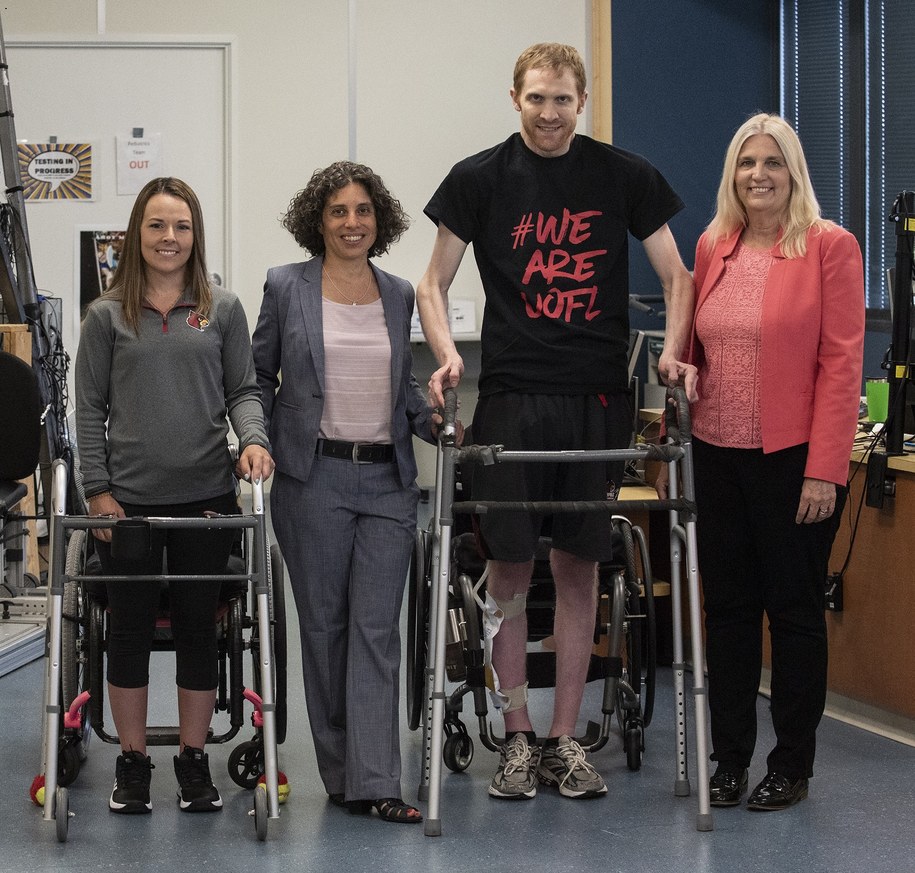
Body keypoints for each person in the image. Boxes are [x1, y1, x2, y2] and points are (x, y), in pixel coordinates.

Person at [416, 42, 695, 800]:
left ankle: (565, 737)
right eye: (536, 98)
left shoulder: (622, 175)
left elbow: (678, 276)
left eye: (562, 99)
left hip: (596, 397)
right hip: (509, 396)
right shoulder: (478, 178)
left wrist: (670, 356)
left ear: (581, 102)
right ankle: (515, 737)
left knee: (578, 568)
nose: (548, 113)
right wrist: (446, 358)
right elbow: (431, 283)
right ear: (515, 99)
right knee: (507, 568)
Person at [662, 113, 864, 811]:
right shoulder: (713, 243)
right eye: (746, 163)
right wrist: (680, 370)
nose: (757, 175)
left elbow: (842, 363)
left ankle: (791, 764)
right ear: (732, 174)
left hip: (792, 460)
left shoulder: (828, 246)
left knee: (795, 612)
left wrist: (825, 467)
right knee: (728, 613)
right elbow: (695, 344)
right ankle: (729, 759)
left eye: (771, 163)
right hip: (716, 456)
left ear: (792, 172)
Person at [252, 161, 450, 824]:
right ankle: (339, 772)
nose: (351, 222)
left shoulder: (397, 293)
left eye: (362, 210)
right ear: (319, 219)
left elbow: (403, 393)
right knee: (324, 628)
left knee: (375, 629)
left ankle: (376, 780)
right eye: (337, 210)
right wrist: (254, 436)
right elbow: (254, 378)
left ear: (379, 220)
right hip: (313, 479)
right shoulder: (286, 286)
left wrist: (439, 419)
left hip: (388, 480)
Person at [75, 177, 274, 815]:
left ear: (196, 234)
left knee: (197, 628)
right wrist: (98, 493)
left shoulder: (223, 309)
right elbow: (89, 411)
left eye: (181, 226)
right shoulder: (107, 315)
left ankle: (193, 760)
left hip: (207, 498)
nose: (169, 238)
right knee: (127, 630)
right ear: (137, 233)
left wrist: (253, 439)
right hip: (127, 503)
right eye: (157, 226)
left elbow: (243, 389)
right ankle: (133, 763)